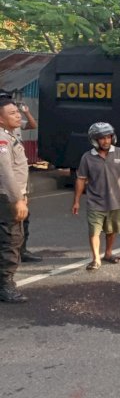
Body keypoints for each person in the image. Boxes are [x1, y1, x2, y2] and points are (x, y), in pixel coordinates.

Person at [72, 122, 120, 271]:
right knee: (94, 231)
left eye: (108, 137)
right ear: (94, 140)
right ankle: (96, 259)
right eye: (102, 138)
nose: (106, 141)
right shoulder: (87, 158)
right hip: (95, 201)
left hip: (116, 200)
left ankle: (108, 253)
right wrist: (76, 201)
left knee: (111, 230)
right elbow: (81, 179)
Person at [0, 100, 29, 303]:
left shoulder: (9, 136)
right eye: (12, 113)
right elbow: (6, 172)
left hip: (10, 196)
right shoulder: (2, 139)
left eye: (17, 111)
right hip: (7, 198)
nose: (18, 115)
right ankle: (5, 286)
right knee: (11, 241)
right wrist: (18, 200)